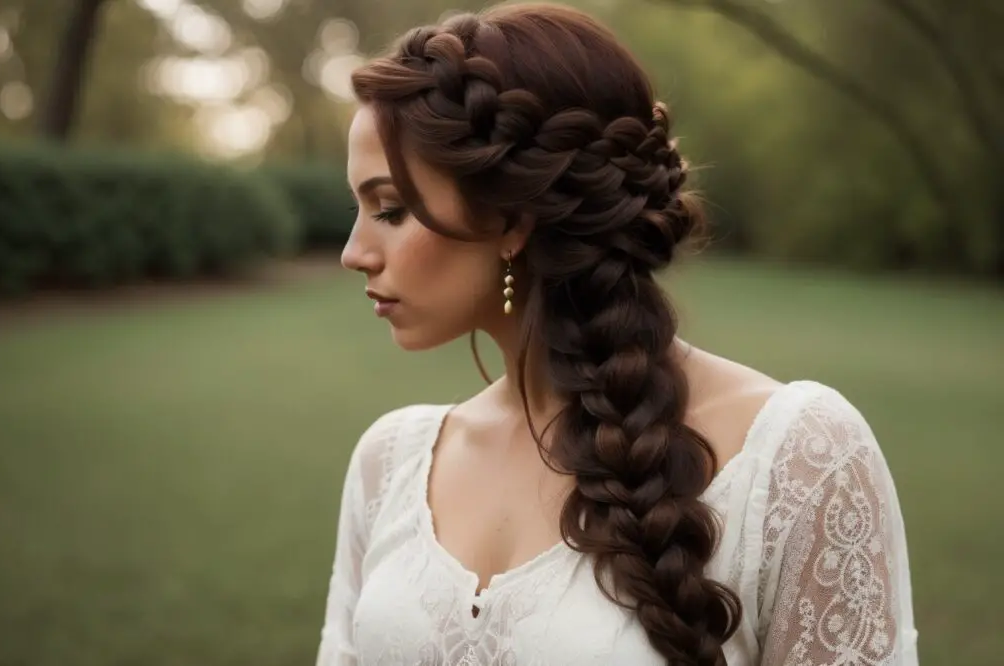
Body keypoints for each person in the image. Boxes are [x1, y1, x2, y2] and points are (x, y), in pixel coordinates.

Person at [318, 3, 918, 664]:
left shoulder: (798, 458)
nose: (354, 252)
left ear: (514, 218)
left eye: (391, 209)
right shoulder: (391, 464)